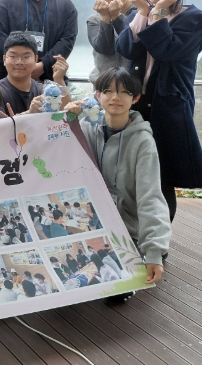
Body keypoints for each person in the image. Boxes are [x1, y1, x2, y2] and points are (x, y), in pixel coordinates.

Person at [115, 0, 202, 221]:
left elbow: (167, 50)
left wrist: (158, 13)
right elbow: (126, 48)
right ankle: (131, 232)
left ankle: (159, 238)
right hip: (135, 106)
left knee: (162, 176)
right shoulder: (140, 13)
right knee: (132, 171)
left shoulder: (193, 18)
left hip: (167, 107)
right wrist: (143, 13)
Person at [66, 67, 170, 283]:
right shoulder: (87, 127)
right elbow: (59, 159)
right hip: (93, 224)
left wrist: (154, 251)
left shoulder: (142, 141)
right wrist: (67, 121)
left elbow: (150, 197)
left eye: (124, 92)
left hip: (128, 229)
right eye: (108, 91)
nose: (115, 97)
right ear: (97, 95)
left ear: (136, 98)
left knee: (118, 287)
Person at [0, 32, 70, 116]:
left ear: (36, 59)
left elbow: (67, 117)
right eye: (13, 56)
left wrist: (59, 79)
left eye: (26, 57)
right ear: (4, 59)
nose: (19, 62)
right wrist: (29, 113)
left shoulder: (45, 91)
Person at [88, 0, 133, 84]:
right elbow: (105, 49)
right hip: (104, 87)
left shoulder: (142, 14)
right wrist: (105, 18)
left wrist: (117, 17)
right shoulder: (94, 20)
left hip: (134, 86)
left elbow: (133, 44)